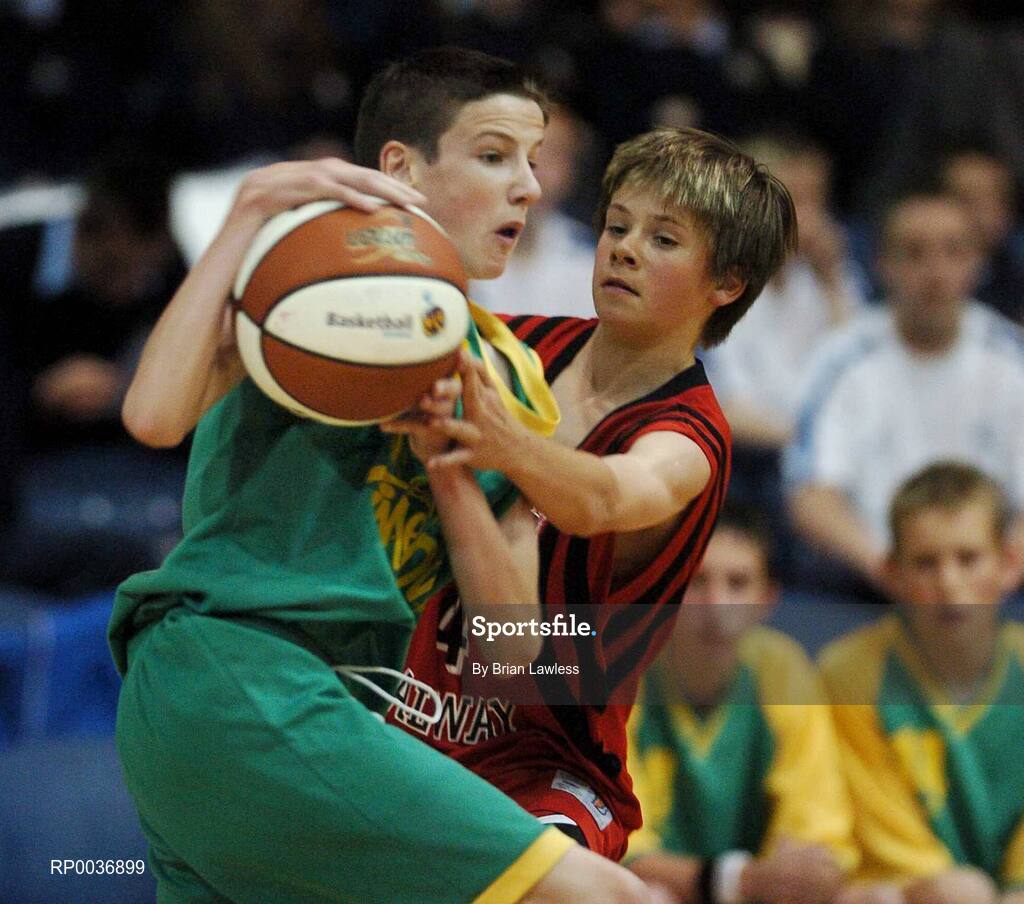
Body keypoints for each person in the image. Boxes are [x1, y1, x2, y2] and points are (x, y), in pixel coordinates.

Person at [108, 47, 650, 904]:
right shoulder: (309, 282)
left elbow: (512, 651)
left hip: (341, 704)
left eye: (535, 161)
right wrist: (249, 214)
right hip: (238, 670)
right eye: (495, 155)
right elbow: (152, 416)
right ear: (401, 168)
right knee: (607, 896)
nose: (529, 187)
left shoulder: (513, 379)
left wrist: (454, 468)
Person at [386, 126, 797, 860]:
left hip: (547, 757)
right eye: (617, 226)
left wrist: (496, 440)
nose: (625, 249)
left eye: (663, 239)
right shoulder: (512, 347)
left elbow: (602, 497)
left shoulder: (690, 437)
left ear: (726, 283)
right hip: (405, 709)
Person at [785, 191, 1024, 597]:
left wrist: (997, 571)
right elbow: (811, 498)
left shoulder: (1012, 356)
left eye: (953, 251)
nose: (935, 270)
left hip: (992, 585)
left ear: (977, 262)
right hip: (873, 584)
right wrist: (890, 569)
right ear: (882, 264)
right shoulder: (840, 359)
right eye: (914, 253)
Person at [625, 501, 856, 904]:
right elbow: (610, 849)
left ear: (767, 598)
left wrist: (801, 872)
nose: (717, 605)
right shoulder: (620, 669)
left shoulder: (782, 669)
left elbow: (817, 836)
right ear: (664, 587)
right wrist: (735, 880)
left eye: (737, 584)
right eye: (697, 582)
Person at [821, 461, 1024, 904]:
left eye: (968, 558)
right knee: (959, 894)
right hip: (905, 889)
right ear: (892, 572)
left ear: (1009, 563)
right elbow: (888, 842)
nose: (949, 583)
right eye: (926, 563)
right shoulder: (849, 673)